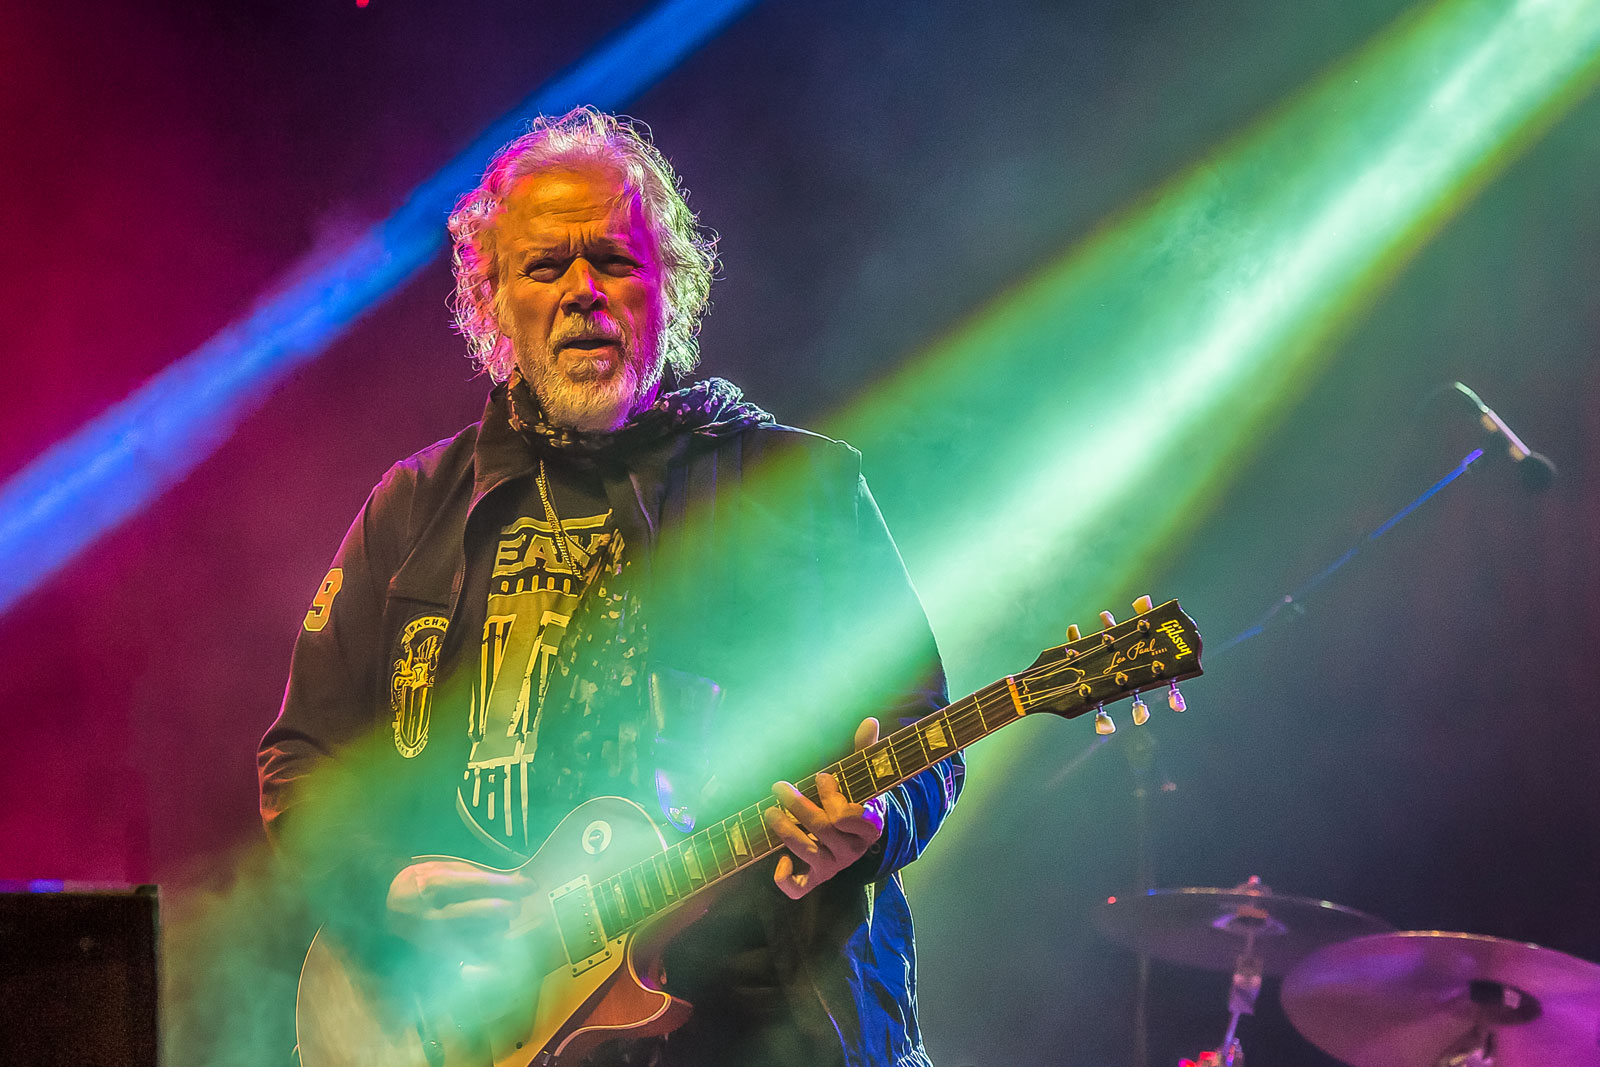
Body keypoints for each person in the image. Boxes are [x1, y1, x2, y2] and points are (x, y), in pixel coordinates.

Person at [259, 107, 963, 1067]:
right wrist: (378, 888)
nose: (584, 292)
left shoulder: (801, 492)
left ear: (669, 286)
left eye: (617, 262)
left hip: (758, 1029)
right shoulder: (413, 507)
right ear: (490, 299)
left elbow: (924, 734)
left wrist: (876, 824)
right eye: (545, 266)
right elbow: (303, 760)